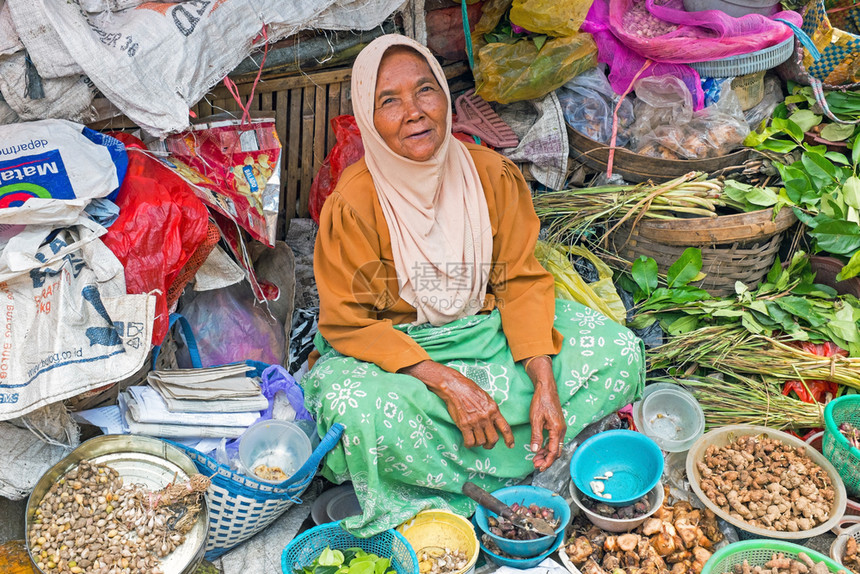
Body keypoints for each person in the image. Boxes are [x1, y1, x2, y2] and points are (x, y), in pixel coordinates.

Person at [302, 34, 644, 536]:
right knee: (359, 409)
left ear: (444, 95)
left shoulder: (492, 176)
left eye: (425, 91)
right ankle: (480, 476)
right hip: (402, 353)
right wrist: (448, 382)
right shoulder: (353, 205)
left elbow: (521, 281)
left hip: (489, 329)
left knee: (619, 350)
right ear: (367, 118)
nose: (414, 112)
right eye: (388, 102)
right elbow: (349, 323)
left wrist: (543, 378)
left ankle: (480, 459)